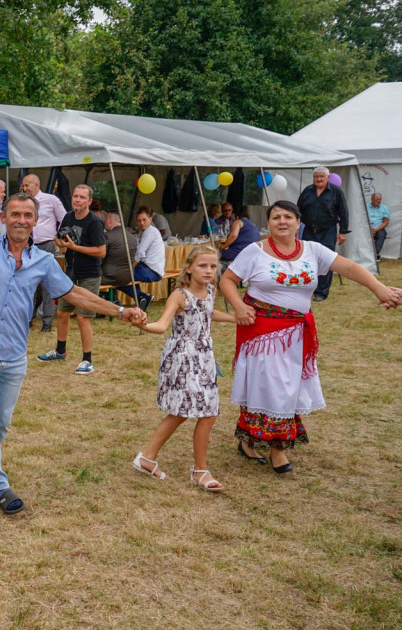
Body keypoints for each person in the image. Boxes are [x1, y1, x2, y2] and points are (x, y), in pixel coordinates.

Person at [0, 161, 146, 514]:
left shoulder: (44, 261)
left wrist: (119, 310)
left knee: (2, 422)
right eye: (14, 214)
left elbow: (75, 294)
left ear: (36, 221)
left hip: (14, 355)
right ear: (3, 218)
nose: (21, 220)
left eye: (27, 215)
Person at [220, 200, 401, 473]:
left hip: (296, 334)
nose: (282, 221)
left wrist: (379, 289)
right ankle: (277, 447)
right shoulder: (253, 251)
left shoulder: (313, 250)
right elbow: (227, 280)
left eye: (288, 217)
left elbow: (350, 268)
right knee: (272, 386)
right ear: (268, 223)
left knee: (280, 387)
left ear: (298, 222)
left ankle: (249, 439)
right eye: (276, 217)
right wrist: (239, 306)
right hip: (262, 332)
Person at [130, 246, 236, 491]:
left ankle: (185, 466)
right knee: (185, 410)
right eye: (202, 266)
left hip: (205, 357)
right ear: (188, 268)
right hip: (183, 358)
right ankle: (163, 461)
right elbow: (161, 325)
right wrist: (143, 325)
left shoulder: (211, 289)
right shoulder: (179, 295)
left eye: (213, 266)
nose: (209, 270)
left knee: (207, 413)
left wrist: (235, 317)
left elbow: (207, 313)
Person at [36, 184, 106, 374]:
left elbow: (101, 251)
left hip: (89, 276)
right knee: (62, 313)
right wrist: (59, 242)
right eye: (75, 196)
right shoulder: (68, 216)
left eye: (82, 197)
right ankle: (60, 351)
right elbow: (61, 240)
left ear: (89, 201)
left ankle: (87, 360)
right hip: (70, 275)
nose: (77, 200)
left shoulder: (94, 222)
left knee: (83, 318)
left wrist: (75, 248)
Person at [20, 173, 67, 332]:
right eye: (23, 185)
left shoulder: (51, 200)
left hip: (46, 245)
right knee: (28, 283)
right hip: (28, 246)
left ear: (36, 185)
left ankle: (47, 321)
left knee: (47, 285)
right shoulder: (23, 202)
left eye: (27, 185)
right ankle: (27, 319)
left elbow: (64, 218)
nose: (24, 188)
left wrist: (57, 236)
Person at [297, 167, 349, 301]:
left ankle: (321, 292)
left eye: (322, 176)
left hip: (328, 231)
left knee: (327, 260)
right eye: (316, 177)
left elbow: (343, 212)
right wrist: (295, 226)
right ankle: (308, 288)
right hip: (309, 231)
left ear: (328, 177)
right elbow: (298, 210)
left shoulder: (336, 192)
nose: (319, 179)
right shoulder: (307, 191)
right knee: (307, 259)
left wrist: (343, 232)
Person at [116, 206, 165, 310]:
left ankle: (140, 297)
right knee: (123, 274)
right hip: (151, 269)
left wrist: (130, 268)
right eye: (139, 221)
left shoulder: (150, 232)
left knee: (118, 276)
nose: (141, 223)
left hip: (150, 271)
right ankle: (141, 297)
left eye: (144, 220)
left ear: (150, 219)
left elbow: (139, 254)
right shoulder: (149, 231)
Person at [100, 211, 138, 287]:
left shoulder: (107, 236)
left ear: (110, 221)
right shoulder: (133, 237)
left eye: (106, 219)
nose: (105, 222)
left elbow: (99, 258)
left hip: (108, 277)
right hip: (128, 277)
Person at [368, 193, 390, 260]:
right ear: (372, 199)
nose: (379, 201)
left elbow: (386, 222)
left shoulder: (385, 208)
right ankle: (363, 254)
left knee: (381, 234)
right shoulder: (365, 206)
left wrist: (375, 230)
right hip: (367, 228)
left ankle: (374, 255)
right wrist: (370, 229)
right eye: (377, 199)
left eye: (380, 199)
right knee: (361, 234)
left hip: (379, 228)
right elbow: (361, 219)